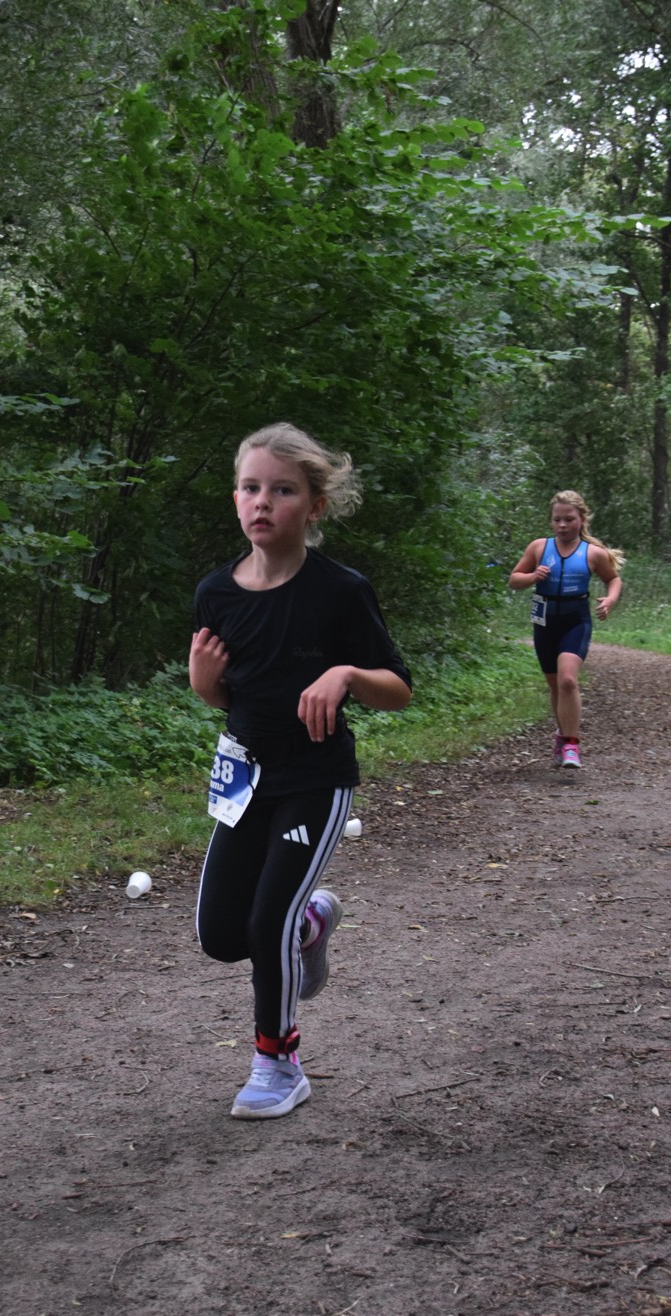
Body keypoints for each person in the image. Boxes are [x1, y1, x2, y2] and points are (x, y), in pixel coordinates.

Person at [189, 422, 412, 1120]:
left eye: (282, 490)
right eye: (251, 487)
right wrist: (204, 685)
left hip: (315, 779)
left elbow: (398, 689)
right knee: (220, 936)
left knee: (266, 926)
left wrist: (346, 675)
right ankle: (312, 923)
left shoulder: (340, 591)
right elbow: (233, 694)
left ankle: (278, 1065)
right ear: (235, 498)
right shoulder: (216, 594)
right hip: (245, 779)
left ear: (314, 506)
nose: (263, 502)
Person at [508, 489, 624, 769]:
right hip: (545, 620)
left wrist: (610, 600)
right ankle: (562, 737)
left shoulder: (593, 553)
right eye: (557, 519)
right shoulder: (539, 547)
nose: (562, 525)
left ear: (581, 519)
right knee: (555, 685)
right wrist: (533, 576)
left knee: (568, 680)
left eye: (569, 519)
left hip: (576, 620)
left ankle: (571, 744)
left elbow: (613, 580)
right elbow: (514, 580)